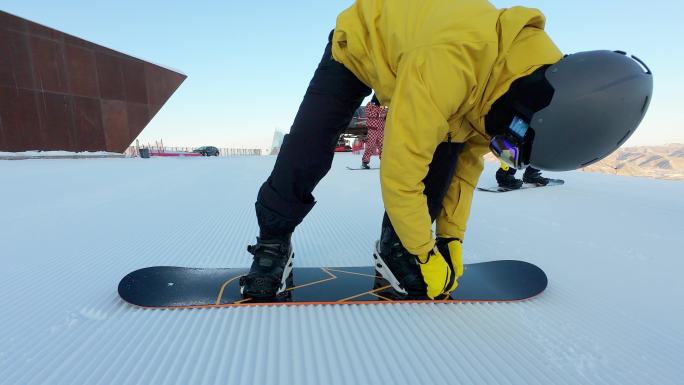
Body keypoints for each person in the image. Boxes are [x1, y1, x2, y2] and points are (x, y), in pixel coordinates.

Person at [240, 0, 652, 300]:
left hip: (423, 62)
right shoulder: (452, 63)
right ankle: (274, 239)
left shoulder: (519, 89)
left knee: (447, 153)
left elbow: (468, 162)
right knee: (312, 143)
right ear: (526, 112)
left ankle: (396, 247)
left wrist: (450, 238)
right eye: (509, 147)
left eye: (511, 153)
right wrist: (426, 249)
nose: (503, 152)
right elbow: (401, 169)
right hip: (360, 43)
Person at [361, 95, 387, 169]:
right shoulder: (370, 105)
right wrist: (379, 115)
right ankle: (365, 162)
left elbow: (386, 113)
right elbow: (368, 113)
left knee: (383, 146)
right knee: (370, 145)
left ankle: (384, 163)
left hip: (381, 129)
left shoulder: (383, 106)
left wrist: (385, 115)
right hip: (372, 129)